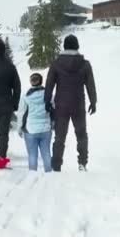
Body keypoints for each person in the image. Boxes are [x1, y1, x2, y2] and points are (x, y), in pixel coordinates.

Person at [45, 34, 97, 172]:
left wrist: (47, 101)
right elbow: (90, 84)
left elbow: (49, 84)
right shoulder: (85, 64)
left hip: (61, 105)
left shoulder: (56, 64)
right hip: (78, 104)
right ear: (77, 46)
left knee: (59, 136)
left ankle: (56, 165)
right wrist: (93, 101)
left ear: (65, 47)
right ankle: (82, 163)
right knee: (81, 134)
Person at [18, 73, 53, 172]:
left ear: (31, 82)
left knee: (32, 155)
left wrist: (19, 129)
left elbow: (21, 114)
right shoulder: (49, 94)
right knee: (46, 153)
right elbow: (53, 109)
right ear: (41, 81)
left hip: (30, 130)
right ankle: (50, 175)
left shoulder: (25, 97)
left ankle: (32, 174)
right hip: (46, 128)